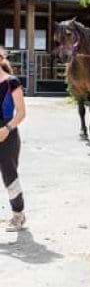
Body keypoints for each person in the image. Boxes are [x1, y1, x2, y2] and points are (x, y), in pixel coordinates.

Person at [0, 47, 27, 231]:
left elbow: (22, 112)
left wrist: (7, 128)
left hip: (7, 134)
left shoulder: (12, 82)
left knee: (9, 175)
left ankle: (19, 215)